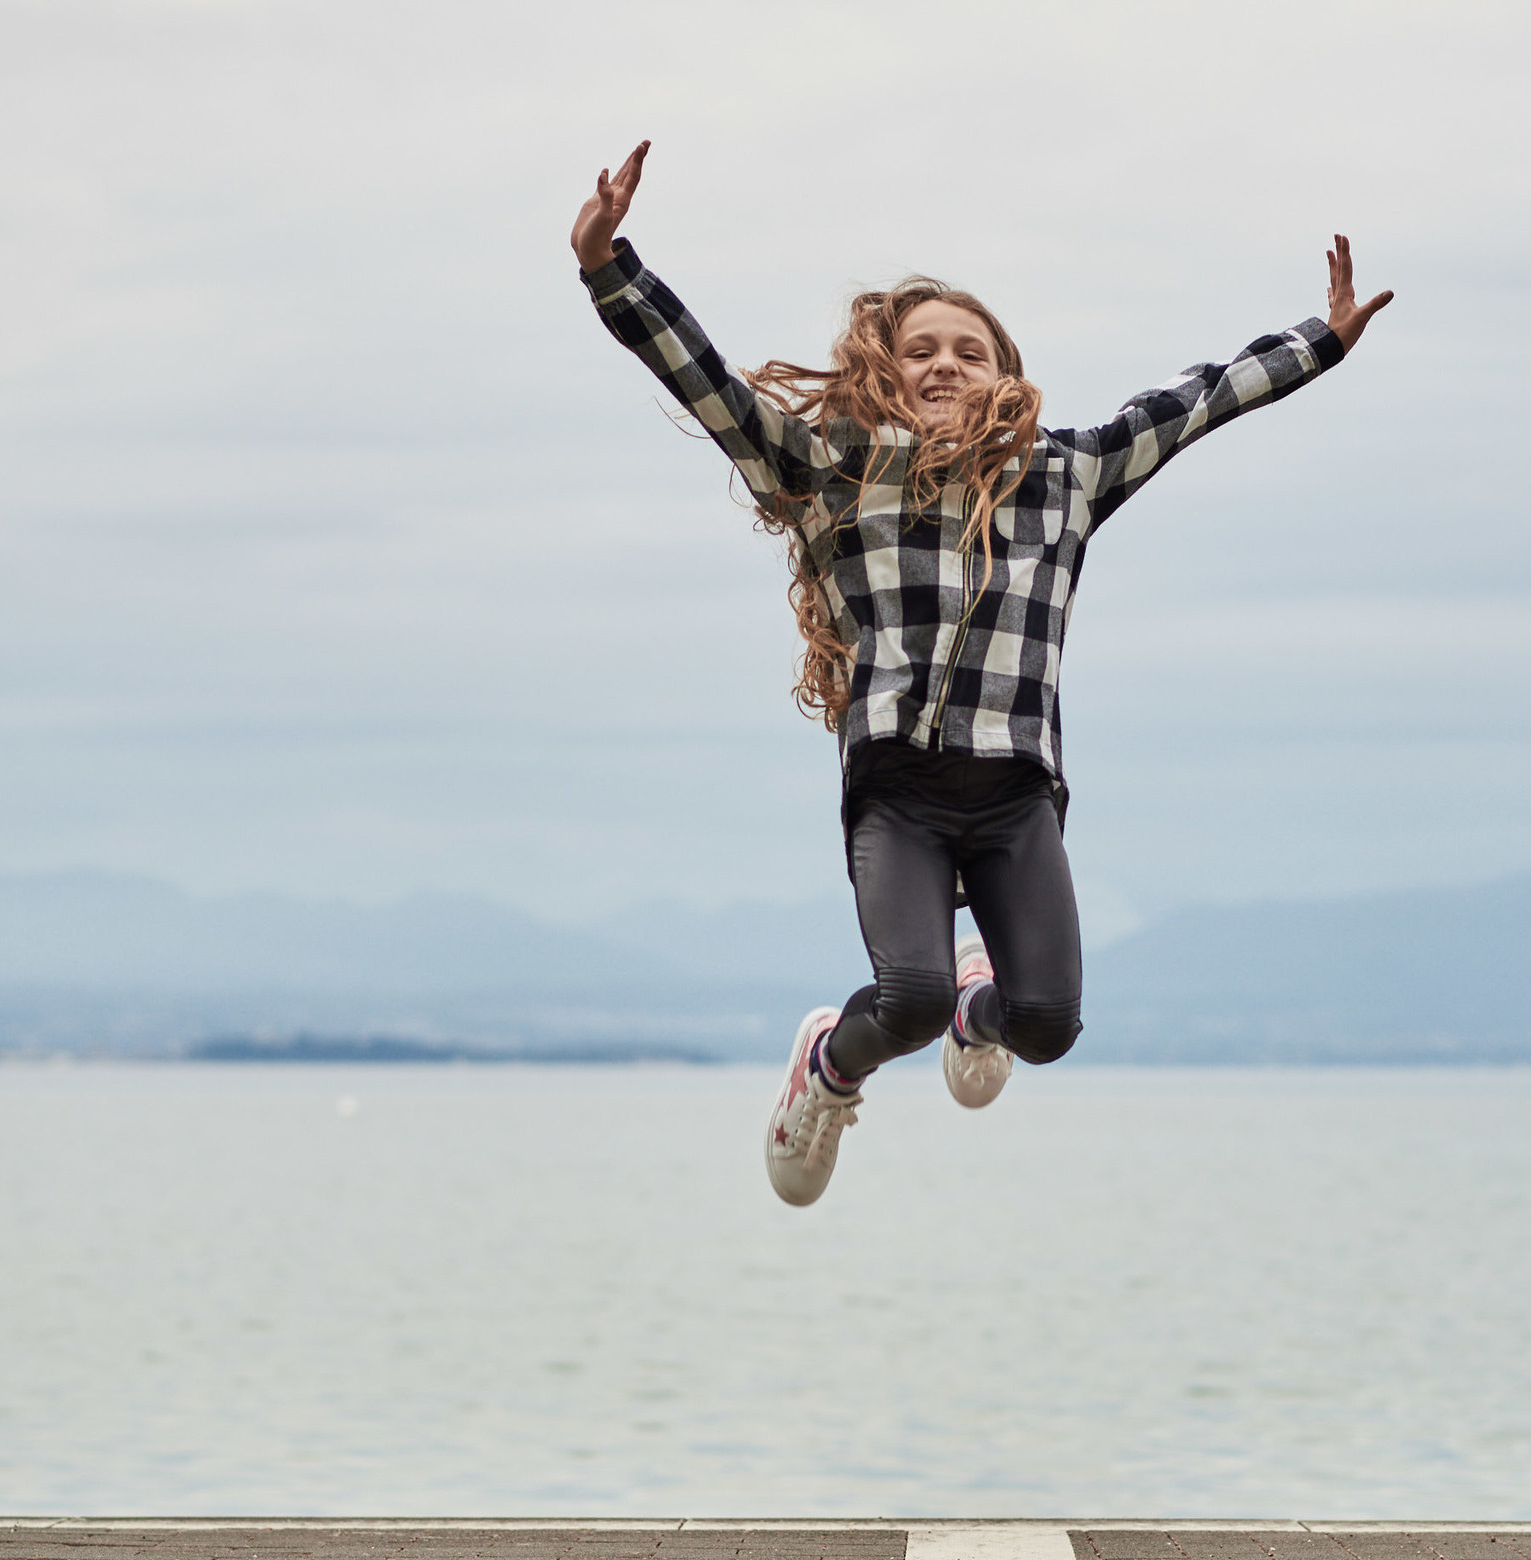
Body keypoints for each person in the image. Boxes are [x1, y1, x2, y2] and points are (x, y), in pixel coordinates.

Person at [572, 140, 1391, 1207]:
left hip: (1013, 792)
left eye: (971, 349)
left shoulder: (1067, 473)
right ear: (885, 370)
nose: (947, 363)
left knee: (1044, 1024)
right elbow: (709, 384)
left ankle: (981, 1007)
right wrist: (608, 266)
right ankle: (825, 1068)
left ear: (1007, 375)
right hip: (899, 793)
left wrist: (1317, 342)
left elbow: (1192, 404)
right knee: (900, 999)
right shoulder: (830, 473)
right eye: (923, 350)